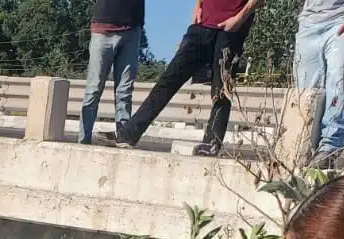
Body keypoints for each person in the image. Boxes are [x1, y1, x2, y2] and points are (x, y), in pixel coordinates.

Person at [99, 0, 261, 157]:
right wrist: (198, 7)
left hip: (230, 30)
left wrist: (239, 19)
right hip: (201, 26)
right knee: (168, 80)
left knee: (221, 89)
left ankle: (212, 142)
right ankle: (127, 135)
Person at [294, 0, 344, 165]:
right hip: (309, 22)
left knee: (339, 73)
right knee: (305, 89)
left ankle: (330, 146)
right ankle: (302, 145)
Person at [78, 0, 143, 146]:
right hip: (103, 27)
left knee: (124, 90)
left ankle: (123, 138)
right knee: (94, 88)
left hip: (132, 28)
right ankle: (83, 139)